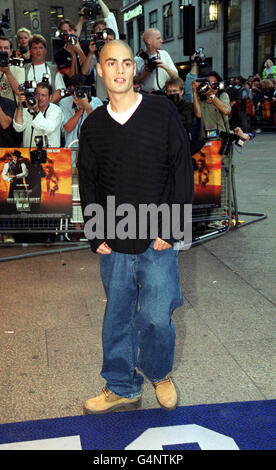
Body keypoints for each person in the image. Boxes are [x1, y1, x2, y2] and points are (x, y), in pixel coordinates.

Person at [78, 40, 193, 414]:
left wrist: (172, 229)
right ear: (100, 70)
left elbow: (181, 170)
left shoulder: (160, 112)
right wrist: (96, 235)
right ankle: (122, 386)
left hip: (158, 238)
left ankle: (159, 373)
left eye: (127, 63)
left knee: (158, 318)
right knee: (118, 317)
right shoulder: (93, 125)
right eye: (112, 63)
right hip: (114, 239)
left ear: (134, 68)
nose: (121, 70)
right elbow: (89, 181)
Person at [59, 73, 103, 160]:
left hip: (91, 150)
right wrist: (80, 110)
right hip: (71, 149)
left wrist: (86, 105)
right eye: (75, 90)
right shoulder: (64, 102)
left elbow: (98, 126)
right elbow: (68, 128)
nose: (78, 94)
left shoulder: (96, 102)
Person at [13, 81, 63, 148]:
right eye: (37, 94)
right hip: (28, 152)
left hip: (50, 154)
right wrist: (20, 106)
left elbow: (48, 129)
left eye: (43, 95)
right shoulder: (27, 108)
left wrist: (36, 110)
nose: (39, 98)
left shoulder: (56, 110)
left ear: (50, 97)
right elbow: (18, 127)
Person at [134, 28, 178, 93]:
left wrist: (165, 67)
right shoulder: (137, 60)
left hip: (163, 94)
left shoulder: (164, 54)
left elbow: (176, 77)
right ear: (149, 41)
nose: (161, 41)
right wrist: (144, 75)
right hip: (146, 95)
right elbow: (132, 82)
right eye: (158, 38)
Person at [25, 35, 66, 104]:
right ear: (30, 51)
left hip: (49, 109)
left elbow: (60, 91)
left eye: (41, 48)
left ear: (45, 51)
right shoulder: (24, 69)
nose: (38, 51)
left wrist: (44, 106)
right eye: (35, 48)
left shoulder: (54, 69)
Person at [192, 71, 231, 140]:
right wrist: (194, 92)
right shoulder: (201, 99)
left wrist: (211, 95)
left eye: (214, 83)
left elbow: (226, 111)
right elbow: (198, 114)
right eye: (209, 83)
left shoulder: (222, 96)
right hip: (205, 138)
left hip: (221, 138)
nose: (212, 86)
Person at [81, 28, 115, 101]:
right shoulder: (95, 56)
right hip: (102, 98)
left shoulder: (119, 55)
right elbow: (84, 71)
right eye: (105, 39)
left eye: (110, 40)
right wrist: (90, 53)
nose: (107, 42)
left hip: (116, 97)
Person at [54, 19, 87, 87]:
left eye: (70, 30)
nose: (68, 33)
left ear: (75, 31)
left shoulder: (85, 45)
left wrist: (78, 50)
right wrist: (73, 55)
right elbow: (72, 76)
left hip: (88, 85)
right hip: (72, 89)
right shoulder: (59, 55)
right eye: (65, 31)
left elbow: (88, 69)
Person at [0, 36, 25, 103]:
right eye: (0, 48)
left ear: (11, 52)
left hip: (12, 110)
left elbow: (20, 91)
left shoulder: (18, 68)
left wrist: (7, 72)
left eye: (6, 48)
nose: (2, 51)